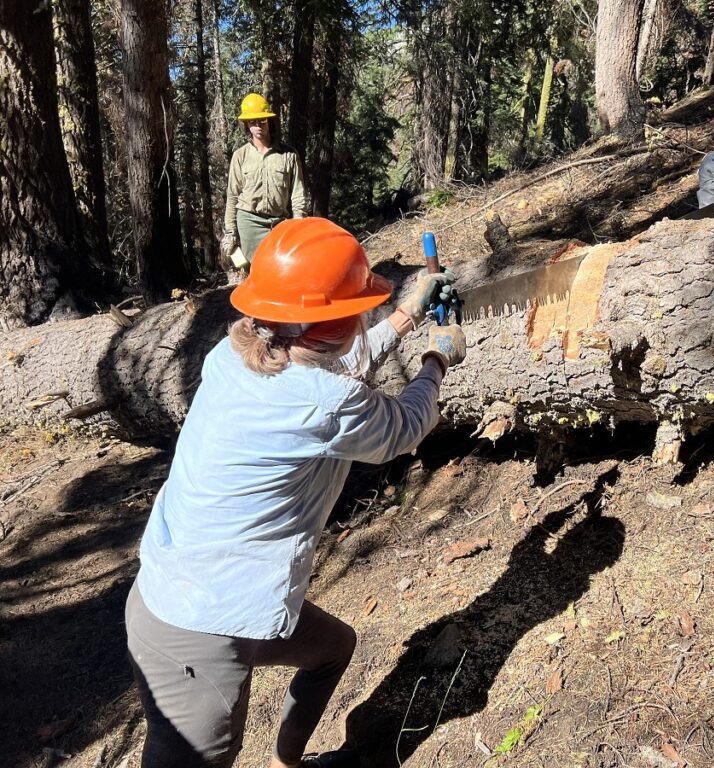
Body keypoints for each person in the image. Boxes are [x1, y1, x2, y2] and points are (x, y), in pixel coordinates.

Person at [125, 217, 464, 768]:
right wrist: (437, 361)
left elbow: (321, 367)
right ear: (336, 320)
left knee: (333, 649)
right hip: (197, 625)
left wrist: (405, 316)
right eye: (357, 310)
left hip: (198, 591)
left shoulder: (236, 353)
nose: (363, 317)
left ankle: (288, 762)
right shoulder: (323, 401)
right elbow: (401, 428)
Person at [221, 93, 308, 268]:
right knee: (251, 270)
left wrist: (299, 221)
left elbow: (298, 192)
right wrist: (230, 232)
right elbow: (233, 195)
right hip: (249, 222)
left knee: (283, 269)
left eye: (262, 120)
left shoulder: (288, 155)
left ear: (269, 121)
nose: (258, 125)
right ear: (246, 125)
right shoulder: (240, 156)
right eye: (253, 122)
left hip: (280, 224)